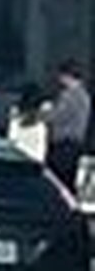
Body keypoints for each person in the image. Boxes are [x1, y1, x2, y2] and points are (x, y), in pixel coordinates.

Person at [47, 60, 92, 190]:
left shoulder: (69, 95)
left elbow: (57, 116)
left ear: (67, 76)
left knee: (56, 182)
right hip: (76, 144)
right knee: (68, 180)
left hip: (63, 144)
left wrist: (42, 114)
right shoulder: (85, 96)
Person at [8, 83, 48, 163]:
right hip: (33, 161)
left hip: (16, 159)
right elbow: (41, 149)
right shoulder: (40, 126)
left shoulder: (15, 121)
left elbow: (12, 139)